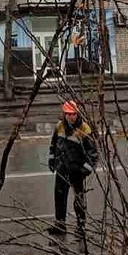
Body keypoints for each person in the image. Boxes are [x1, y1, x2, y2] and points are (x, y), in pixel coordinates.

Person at [46, 100, 98, 238]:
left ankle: (81, 227)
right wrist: (52, 160)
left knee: (79, 199)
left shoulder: (84, 129)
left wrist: (85, 170)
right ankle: (60, 224)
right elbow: (53, 145)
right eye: (68, 114)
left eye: (73, 114)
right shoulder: (60, 126)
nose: (71, 117)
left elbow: (93, 154)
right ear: (64, 114)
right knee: (59, 197)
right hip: (62, 168)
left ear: (77, 114)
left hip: (76, 170)